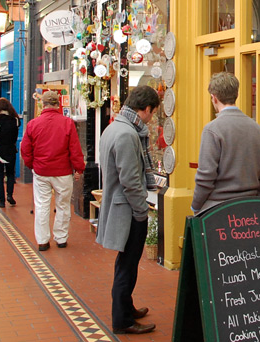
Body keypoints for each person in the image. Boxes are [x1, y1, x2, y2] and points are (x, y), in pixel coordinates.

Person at [96, 85, 159, 335]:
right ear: (145, 109)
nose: (151, 118)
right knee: (127, 265)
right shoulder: (127, 134)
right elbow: (131, 180)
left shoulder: (114, 127)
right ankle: (122, 320)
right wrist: (141, 211)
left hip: (120, 206)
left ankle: (127, 307)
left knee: (126, 263)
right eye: (152, 113)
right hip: (129, 211)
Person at [191, 72, 260, 214]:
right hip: (250, 206)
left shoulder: (212, 130)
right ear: (236, 94)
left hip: (217, 209)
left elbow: (205, 177)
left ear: (214, 98)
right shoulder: (257, 129)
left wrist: (196, 206)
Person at [20, 91, 85, 251]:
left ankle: (42, 241)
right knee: (63, 205)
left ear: (43, 104)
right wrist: (78, 168)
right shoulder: (67, 123)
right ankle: (61, 238)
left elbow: (25, 149)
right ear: (58, 104)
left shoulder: (33, 124)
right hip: (62, 172)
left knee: (42, 205)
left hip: (41, 171)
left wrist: (32, 165)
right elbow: (75, 149)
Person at [0, 98, 20, 208]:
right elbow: (15, 136)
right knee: (11, 174)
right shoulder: (14, 119)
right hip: (10, 150)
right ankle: (10, 195)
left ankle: (1, 200)